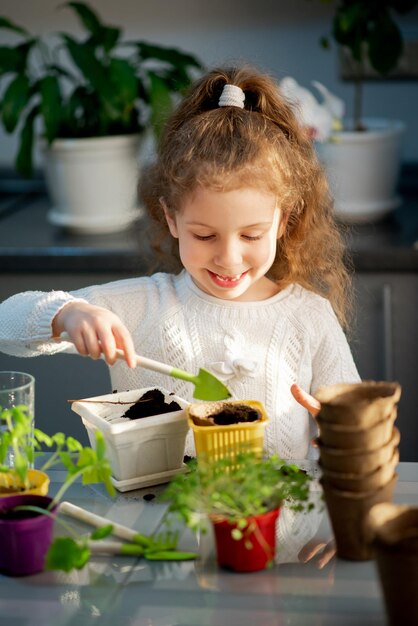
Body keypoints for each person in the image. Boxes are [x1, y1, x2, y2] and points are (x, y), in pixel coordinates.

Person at [0, 65, 360, 460]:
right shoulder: (143, 307)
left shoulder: (309, 317)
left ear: (284, 218)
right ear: (171, 217)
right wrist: (67, 314)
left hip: (278, 520)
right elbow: (6, 328)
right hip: (156, 520)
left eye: (251, 235)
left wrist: (344, 433)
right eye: (204, 235)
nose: (228, 257)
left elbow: (359, 427)